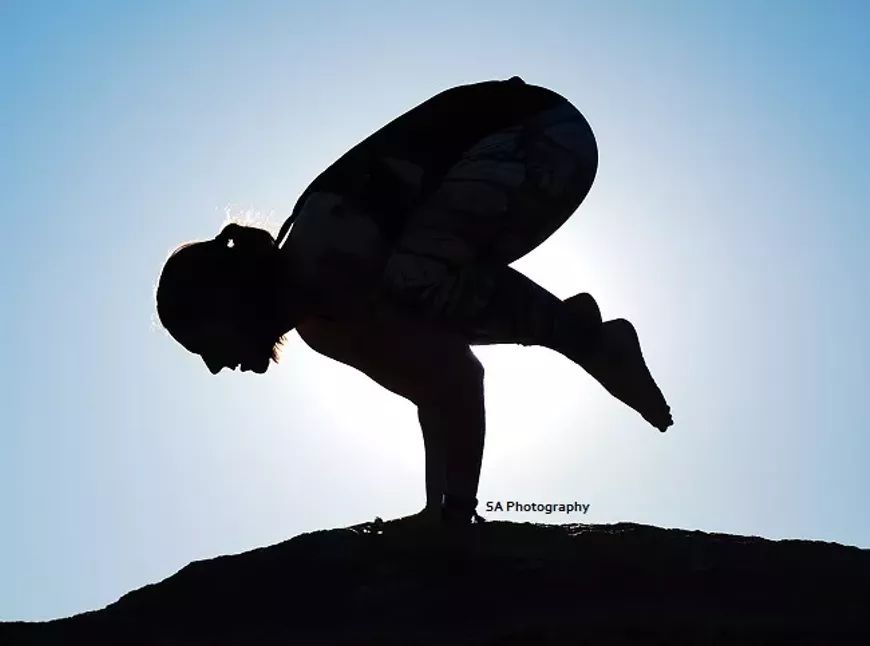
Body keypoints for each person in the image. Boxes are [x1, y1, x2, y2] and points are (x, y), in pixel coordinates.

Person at [155, 76, 673, 526]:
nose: (215, 367)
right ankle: (582, 334)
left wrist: (455, 515)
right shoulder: (321, 324)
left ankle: (579, 334)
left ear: (226, 298)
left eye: (203, 344)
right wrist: (438, 511)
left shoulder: (327, 252)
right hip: (526, 158)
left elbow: (457, 377)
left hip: (540, 134)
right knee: (417, 291)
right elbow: (438, 388)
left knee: (409, 283)